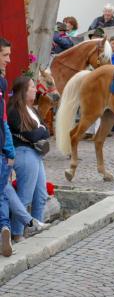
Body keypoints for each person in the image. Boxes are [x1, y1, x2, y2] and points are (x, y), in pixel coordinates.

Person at [7, 75, 51, 243]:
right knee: (25, 196)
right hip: (24, 153)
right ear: (23, 91)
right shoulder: (14, 111)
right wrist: (39, 131)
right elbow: (32, 135)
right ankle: (17, 233)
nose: (35, 89)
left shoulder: (32, 110)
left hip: (36, 154)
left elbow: (46, 129)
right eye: (32, 87)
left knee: (40, 195)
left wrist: (39, 130)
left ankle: (35, 229)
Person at [0, 37, 14, 257]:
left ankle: (5, 229)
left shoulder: (2, 83)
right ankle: (5, 228)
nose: (9, 60)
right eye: (5, 55)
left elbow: (3, 119)